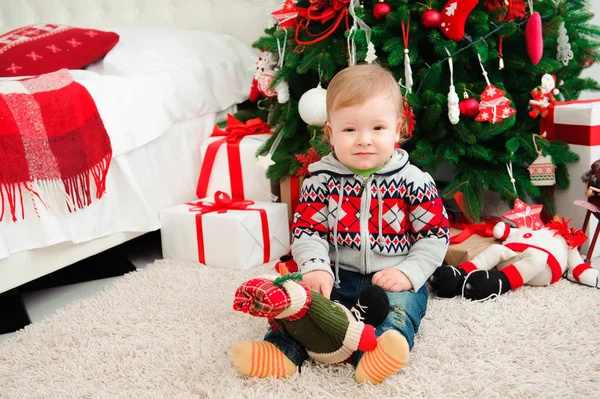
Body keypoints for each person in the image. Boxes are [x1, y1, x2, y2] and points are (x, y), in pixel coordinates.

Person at [232, 63, 450, 384]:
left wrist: (409, 273)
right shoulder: (320, 180)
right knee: (302, 305)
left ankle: (380, 351)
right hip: (335, 274)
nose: (364, 140)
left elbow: (434, 235)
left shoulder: (414, 181)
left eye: (377, 128)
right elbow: (308, 231)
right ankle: (281, 352)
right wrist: (316, 266)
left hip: (389, 278)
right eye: (350, 130)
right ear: (331, 133)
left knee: (401, 308)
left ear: (398, 129)